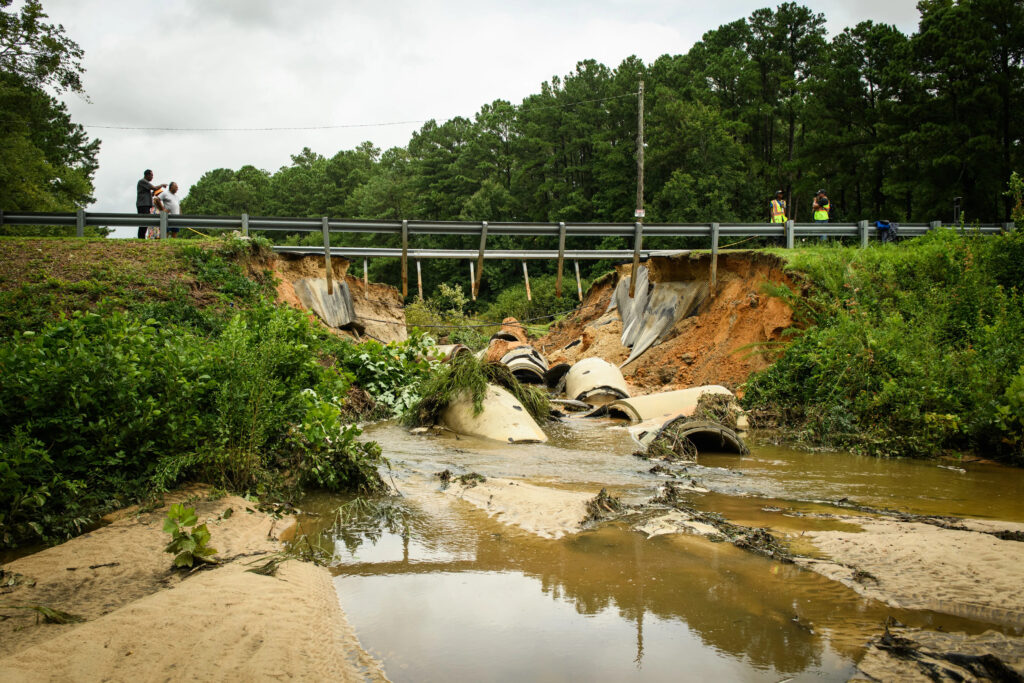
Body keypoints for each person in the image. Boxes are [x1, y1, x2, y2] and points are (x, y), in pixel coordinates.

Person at [136, 170, 166, 239]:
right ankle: (141, 237)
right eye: (151, 175)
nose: (152, 177)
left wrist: (152, 193)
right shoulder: (142, 181)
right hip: (143, 205)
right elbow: (154, 187)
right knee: (143, 222)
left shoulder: (145, 184)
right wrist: (162, 185)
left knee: (145, 222)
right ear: (147, 175)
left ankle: (142, 237)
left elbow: (149, 192)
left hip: (145, 205)